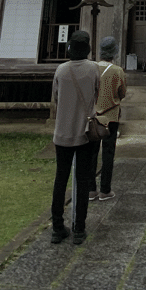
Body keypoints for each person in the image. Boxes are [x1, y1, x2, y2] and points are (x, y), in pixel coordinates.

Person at [49, 30, 100, 244]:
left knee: (60, 179)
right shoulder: (93, 69)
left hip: (62, 132)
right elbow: (99, 94)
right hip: (85, 133)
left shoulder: (60, 70)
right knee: (82, 179)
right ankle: (79, 228)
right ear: (87, 48)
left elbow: (56, 97)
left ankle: (58, 227)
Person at [89, 35, 127, 201]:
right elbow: (122, 93)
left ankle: (90, 189)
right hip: (111, 116)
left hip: (94, 116)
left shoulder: (91, 68)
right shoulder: (117, 71)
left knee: (91, 152)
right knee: (108, 153)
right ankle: (105, 189)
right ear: (114, 52)